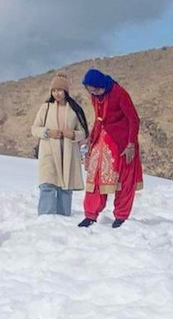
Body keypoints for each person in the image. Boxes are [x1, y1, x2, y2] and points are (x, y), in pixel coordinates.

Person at [79, 68, 142, 228]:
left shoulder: (119, 93)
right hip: (101, 139)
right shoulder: (95, 96)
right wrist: (91, 138)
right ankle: (91, 214)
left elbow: (133, 119)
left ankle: (121, 215)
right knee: (96, 175)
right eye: (90, 90)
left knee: (123, 180)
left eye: (96, 89)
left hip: (121, 141)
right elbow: (99, 119)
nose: (94, 93)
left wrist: (130, 144)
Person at [31, 74, 87, 216]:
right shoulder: (46, 108)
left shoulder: (74, 110)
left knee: (65, 187)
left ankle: (63, 218)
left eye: (59, 90)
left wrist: (73, 134)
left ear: (66, 91)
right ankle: (45, 218)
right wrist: (48, 133)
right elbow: (35, 129)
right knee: (47, 184)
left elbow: (83, 132)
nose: (56, 93)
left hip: (67, 153)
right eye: (54, 90)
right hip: (49, 151)